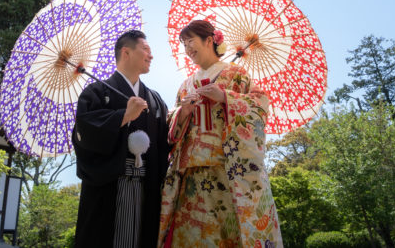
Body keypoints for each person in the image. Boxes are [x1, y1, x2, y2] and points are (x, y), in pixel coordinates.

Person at [158, 18, 283, 248]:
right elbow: (171, 128)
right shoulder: (186, 85)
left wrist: (225, 97)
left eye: (191, 41)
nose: (187, 49)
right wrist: (182, 112)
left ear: (209, 40)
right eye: (184, 44)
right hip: (191, 174)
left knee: (228, 234)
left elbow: (259, 106)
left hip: (226, 170)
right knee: (191, 236)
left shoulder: (236, 74)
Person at [72, 29, 170, 248]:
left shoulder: (154, 99)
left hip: (147, 187)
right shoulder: (96, 93)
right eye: (145, 49)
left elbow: (166, 140)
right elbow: (84, 134)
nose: (151, 56)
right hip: (109, 188)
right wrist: (123, 116)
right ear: (126, 52)